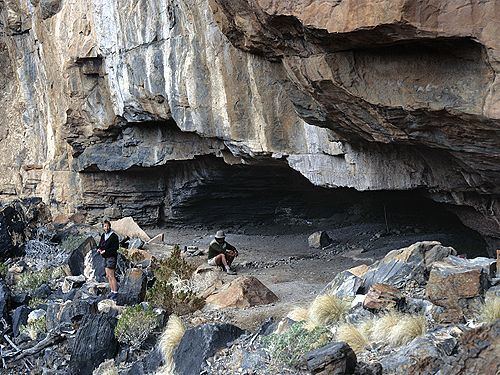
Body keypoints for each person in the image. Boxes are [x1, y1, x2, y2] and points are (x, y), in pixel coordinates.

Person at [97, 220, 119, 299]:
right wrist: (99, 249)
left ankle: (115, 292)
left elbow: (115, 248)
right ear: (103, 227)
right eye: (105, 226)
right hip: (105, 257)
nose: (106, 228)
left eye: (107, 226)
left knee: (112, 275)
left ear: (110, 226)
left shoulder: (114, 236)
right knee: (108, 276)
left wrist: (106, 251)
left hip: (111, 257)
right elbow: (100, 244)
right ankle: (112, 291)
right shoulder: (103, 235)